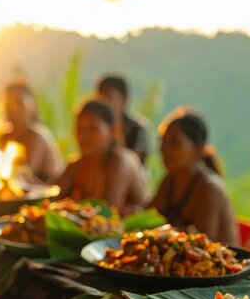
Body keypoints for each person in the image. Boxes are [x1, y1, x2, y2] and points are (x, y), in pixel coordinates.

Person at [148, 107, 238, 244]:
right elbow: (148, 219)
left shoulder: (209, 190)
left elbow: (202, 244)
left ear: (198, 150)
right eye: (163, 142)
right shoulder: (169, 181)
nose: (164, 149)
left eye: (175, 143)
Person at [54, 100, 147, 214]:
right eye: (80, 129)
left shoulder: (122, 161)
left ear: (114, 131)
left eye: (93, 129)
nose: (84, 136)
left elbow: (107, 212)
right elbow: (52, 197)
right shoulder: (77, 164)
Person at [0, 82, 63, 183]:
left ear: (32, 105)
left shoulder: (37, 136)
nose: (15, 110)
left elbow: (23, 177)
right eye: (10, 105)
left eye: (19, 104)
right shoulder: (3, 136)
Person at [96, 74, 150, 164]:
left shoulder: (137, 128)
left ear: (124, 99)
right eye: (100, 98)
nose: (104, 104)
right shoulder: (95, 128)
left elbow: (135, 163)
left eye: (108, 97)